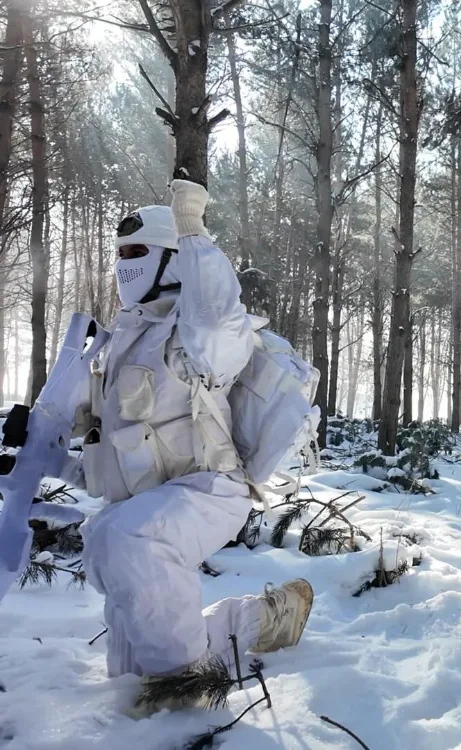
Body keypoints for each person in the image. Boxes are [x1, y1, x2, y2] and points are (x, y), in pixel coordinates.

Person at [57, 180, 314, 714]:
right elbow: (108, 474)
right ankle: (264, 619)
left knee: (129, 538)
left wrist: (195, 236)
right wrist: (40, 453)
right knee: (110, 547)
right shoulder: (120, 346)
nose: (125, 263)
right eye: (120, 253)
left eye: (138, 252)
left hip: (209, 489)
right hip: (150, 504)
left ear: (171, 260)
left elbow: (218, 324)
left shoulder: (193, 331)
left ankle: (185, 695)